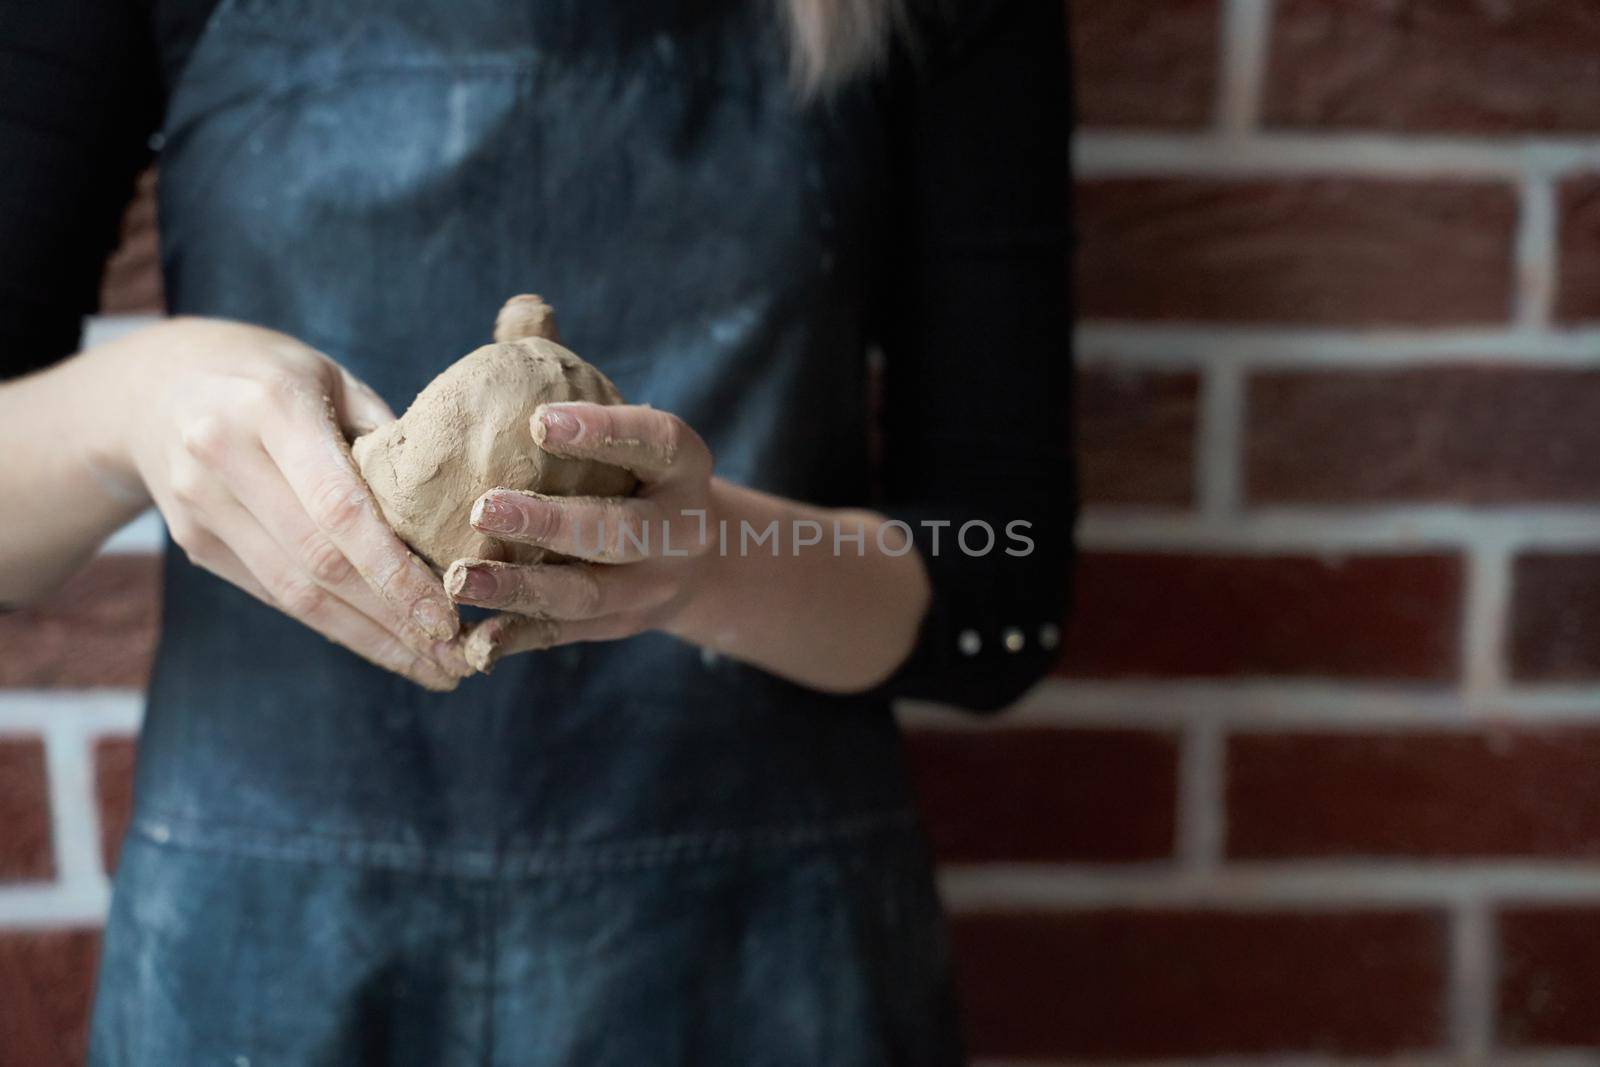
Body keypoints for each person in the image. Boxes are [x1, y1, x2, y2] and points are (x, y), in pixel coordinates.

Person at [0, 0, 1074, 1062]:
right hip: (264, 952)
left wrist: (717, 561)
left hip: (750, 949)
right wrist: (133, 403)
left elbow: (1002, 573)